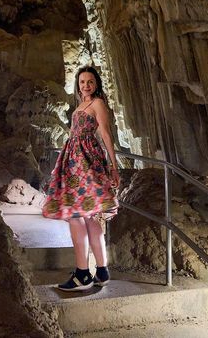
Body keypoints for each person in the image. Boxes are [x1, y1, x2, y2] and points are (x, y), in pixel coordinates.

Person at [42, 65, 120, 292]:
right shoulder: (80, 105)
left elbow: (105, 133)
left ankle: (83, 274)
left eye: (90, 82)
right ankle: (102, 271)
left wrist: (114, 167)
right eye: (83, 82)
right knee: (88, 217)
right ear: (78, 84)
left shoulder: (97, 104)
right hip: (74, 161)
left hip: (86, 162)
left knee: (77, 215)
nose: (86, 85)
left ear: (96, 85)